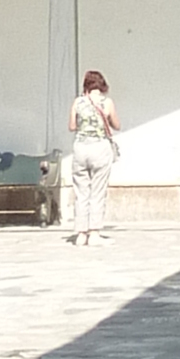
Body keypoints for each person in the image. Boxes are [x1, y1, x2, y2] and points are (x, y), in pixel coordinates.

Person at [63, 70, 118, 246]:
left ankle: (80, 234)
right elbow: (117, 125)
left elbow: (72, 126)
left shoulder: (77, 102)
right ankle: (94, 233)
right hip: (100, 148)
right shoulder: (107, 102)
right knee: (98, 191)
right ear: (102, 85)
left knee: (81, 192)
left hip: (80, 148)